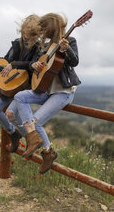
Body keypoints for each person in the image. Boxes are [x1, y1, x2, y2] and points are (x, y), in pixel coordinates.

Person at [13, 13, 81, 174]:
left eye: (44, 29)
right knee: (19, 97)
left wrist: (67, 50)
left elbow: (75, 61)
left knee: (37, 122)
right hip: (46, 90)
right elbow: (39, 62)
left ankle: (47, 152)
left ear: (52, 28)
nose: (42, 33)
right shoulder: (47, 45)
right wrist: (36, 64)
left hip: (63, 91)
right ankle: (32, 137)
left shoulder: (69, 41)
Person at [0, 14, 44, 152]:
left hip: (24, 85)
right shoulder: (17, 43)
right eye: (25, 32)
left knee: (11, 114)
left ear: (36, 34)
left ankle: (33, 140)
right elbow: (4, 61)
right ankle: (14, 133)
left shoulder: (39, 47)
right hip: (9, 84)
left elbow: (34, 64)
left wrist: (15, 64)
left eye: (30, 34)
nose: (26, 36)